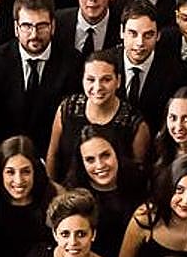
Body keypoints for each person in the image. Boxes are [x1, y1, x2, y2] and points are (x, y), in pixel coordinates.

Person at [0, 0, 82, 152]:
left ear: (53, 26)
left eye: (41, 26)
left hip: (53, 152)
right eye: (27, 26)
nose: (34, 34)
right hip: (7, 153)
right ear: (16, 28)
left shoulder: (73, 62)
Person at [47, 49, 150, 182]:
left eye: (106, 80)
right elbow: (53, 155)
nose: (97, 87)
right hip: (68, 190)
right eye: (90, 80)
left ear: (118, 81)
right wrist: (52, 189)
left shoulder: (134, 123)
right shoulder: (68, 108)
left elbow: (138, 174)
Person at [0, 136, 60, 257]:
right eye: (10, 172)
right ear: (0, 173)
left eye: (26, 171)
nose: (18, 180)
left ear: (36, 171)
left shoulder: (54, 198)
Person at [66, 125, 144, 257]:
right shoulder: (73, 196)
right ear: (82, 163)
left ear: (117, 152)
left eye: (105, 155)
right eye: (90, 160)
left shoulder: (139, 181)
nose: (100, 165)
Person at [116, 0, 185, 126]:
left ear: (158, 35)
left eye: (148, 35)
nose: (140, 43)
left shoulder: (175, 72)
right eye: (133, 34)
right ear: (122, 32)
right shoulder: (105, 63)